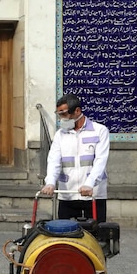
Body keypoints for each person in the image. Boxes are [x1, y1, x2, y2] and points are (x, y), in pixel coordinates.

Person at [41, 93, 110, 223]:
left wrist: (89, 184)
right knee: (66, 235)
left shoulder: (99, 131)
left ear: (77, 111)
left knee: (95, 236)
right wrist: (50, 182)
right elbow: (53, 161)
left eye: (64, 114)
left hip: (93, 194)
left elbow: (100, 161)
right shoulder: (60, 135)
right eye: (59, 114)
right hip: (67, 193)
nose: (61, 119)